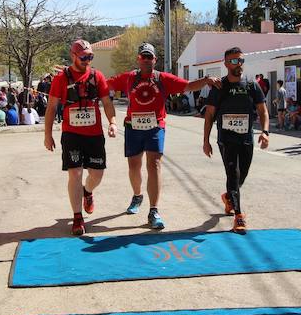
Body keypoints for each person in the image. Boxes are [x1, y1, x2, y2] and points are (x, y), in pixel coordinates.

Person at [107, 42, 211, 229]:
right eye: (143, 57)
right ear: (138, 59)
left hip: (156, 126)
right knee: (134, 166)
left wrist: (206, 80)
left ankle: (153, 210)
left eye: (150, 57)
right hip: (133, 127)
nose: (146, 60)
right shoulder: (129, 77)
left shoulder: (162, 78)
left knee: (154, 165)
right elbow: (105, 84)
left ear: (155, 59)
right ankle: (137, 196)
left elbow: (187, 86)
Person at [44, 39, 117, 236]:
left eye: (90, 57)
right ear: (73, 56)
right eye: (84, 57)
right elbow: (51, 107)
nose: (87, 61)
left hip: (94, 134)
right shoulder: (61, 79)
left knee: (97, 174)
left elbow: (107, 103)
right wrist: (48, 135)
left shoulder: (97, 76)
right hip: (72, 134)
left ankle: (88, 191)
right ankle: (77, 217)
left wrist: (112, 122)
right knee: (74, 173)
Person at [202, 47, 269, 234]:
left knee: (242, 175)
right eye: (233, 61)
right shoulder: (219, 87)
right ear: (225, 64)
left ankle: (229, 197)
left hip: (246, 138)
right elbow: (209, 116)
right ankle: (239, 216)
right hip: (226, 139)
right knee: (233, 173)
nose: (237, 64)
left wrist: (265, 132)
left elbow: (263, 111)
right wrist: (206, 141)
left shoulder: (251, 86)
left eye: (240, 60)